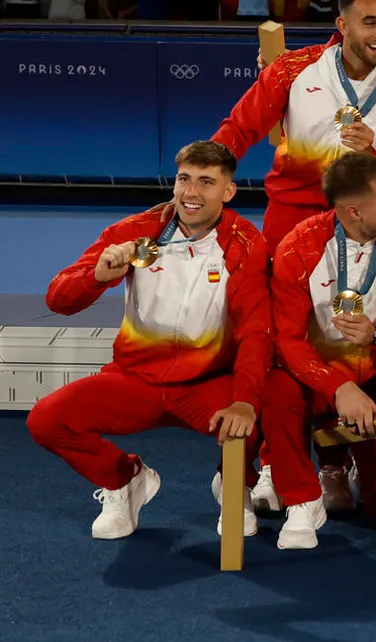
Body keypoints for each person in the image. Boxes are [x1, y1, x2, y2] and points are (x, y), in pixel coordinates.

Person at [32, 141, 270, 540]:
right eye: (184, 179)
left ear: (228, 192)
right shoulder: (133, 232)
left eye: (206, 182)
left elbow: (255, 331)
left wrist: (244, 399)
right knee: (47, 420)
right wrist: (98, 278)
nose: (191, 193)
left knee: (266, 403)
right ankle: (125, 480)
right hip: (134, 380)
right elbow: (57, 298)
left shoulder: (246, 244)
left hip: (207, 384)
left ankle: (235, 483)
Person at [257, 152, 376, 553]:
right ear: (354, 212)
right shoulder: (299, 248)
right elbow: (288, 341)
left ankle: (362, 476)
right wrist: (338, 387)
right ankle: (303, 499)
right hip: (320, 380)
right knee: (276, 387)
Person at [212, 0, 376, 247]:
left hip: (362, 222)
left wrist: (370, 155)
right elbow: (238, 130)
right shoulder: (293, 69)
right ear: (343, 26)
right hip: (291, 217)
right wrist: (204, 176)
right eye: (370, 23)